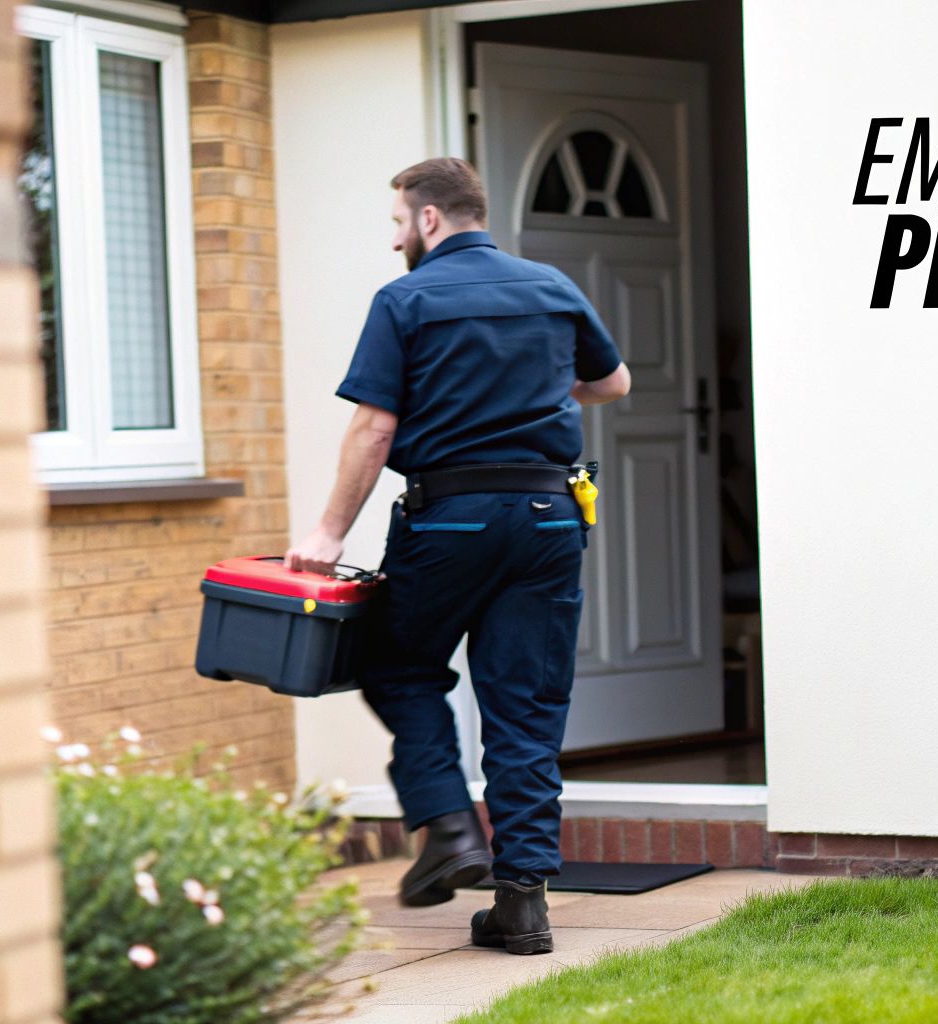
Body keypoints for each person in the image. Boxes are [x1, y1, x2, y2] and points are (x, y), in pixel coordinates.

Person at [285, 157, 630, 955]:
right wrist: (534, 386)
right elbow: (613, 383)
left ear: (429, 219)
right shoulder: (550, 286)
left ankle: (447, 826)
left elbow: (373, 430)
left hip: (450, 519)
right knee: (527, 706)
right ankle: (523, 904)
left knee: (397, 665)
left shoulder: (405, 299)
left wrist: (329, 534)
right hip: (549, 518)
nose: (397, 237)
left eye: (399, 222)